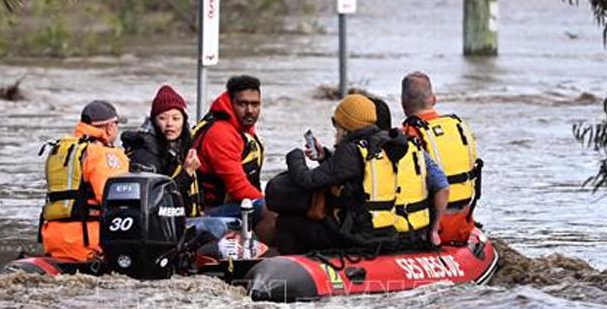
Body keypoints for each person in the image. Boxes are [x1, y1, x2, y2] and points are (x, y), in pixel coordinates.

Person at [276, 94, 450, 255]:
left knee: (288, 223)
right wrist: (325, 156)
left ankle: (292, 267)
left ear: (346, 126)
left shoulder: (352, 151)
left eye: (337, 125)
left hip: (356, 238)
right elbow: (352, 171)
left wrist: (295, 156)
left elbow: (307, 180)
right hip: (387, 233)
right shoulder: (387, 144)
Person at [40, 100, 130, 262]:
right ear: (110, 127)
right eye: (117, 125)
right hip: (87, 243)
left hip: (52, 241)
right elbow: (117, 202)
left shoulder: (60, 150)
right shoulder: (103, 155)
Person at [401, 71, 483, 245]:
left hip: (431, 229)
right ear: (434, 99)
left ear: (403, 104)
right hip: (463, 224)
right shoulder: (458, 128)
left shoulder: (408, 136)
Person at [193, 75, 275, 243]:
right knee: (271, 211)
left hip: (231, 204)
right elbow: (238, 189)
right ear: (230, 102)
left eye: (255, 104)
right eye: (242, 104)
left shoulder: (240, 127)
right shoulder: (221, 133)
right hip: (208, 212)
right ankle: (264, 254)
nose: (250, 110)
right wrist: (271, 204)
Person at [121, 85, 202, 217]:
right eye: (162, 118)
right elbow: (154, 201)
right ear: (153, 121)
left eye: (176, 118)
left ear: (184, 121)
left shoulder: (183, 147)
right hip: (158, 223)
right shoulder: (143, 154)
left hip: (185, 217)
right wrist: (187, 173)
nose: (169, 124)